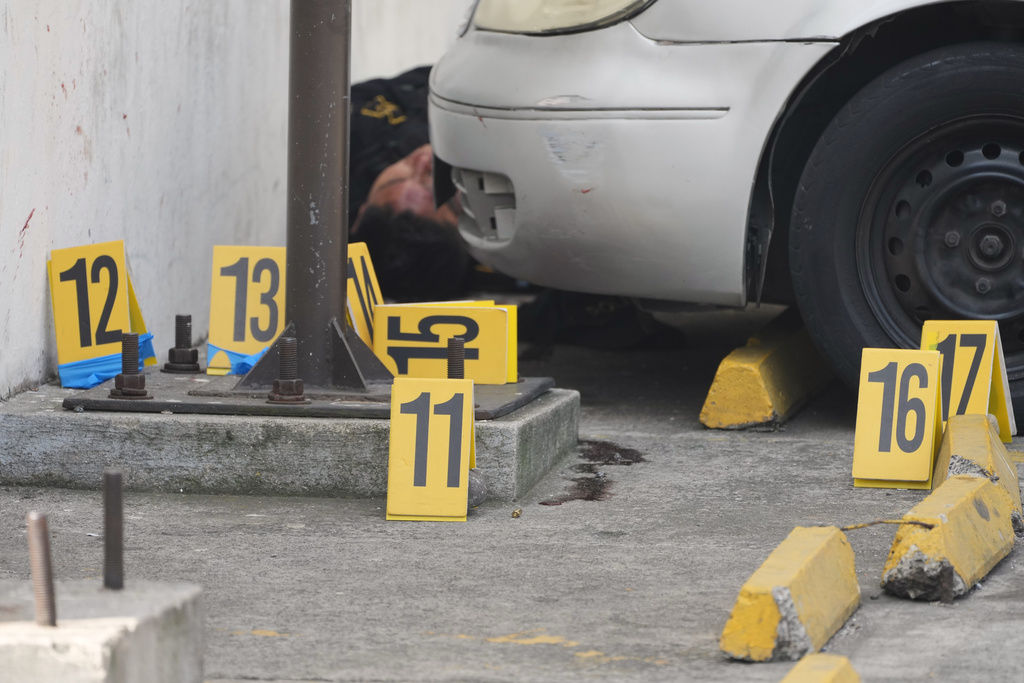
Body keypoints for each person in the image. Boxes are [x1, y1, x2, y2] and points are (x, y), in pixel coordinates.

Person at [348, 67, 682, 350]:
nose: (425, 165)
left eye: (400, 176)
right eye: (442, 198)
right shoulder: (507, 251)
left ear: (360, 210)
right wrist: (515, 324)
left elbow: (453, 79)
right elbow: (599, 292)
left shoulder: (349, 148)